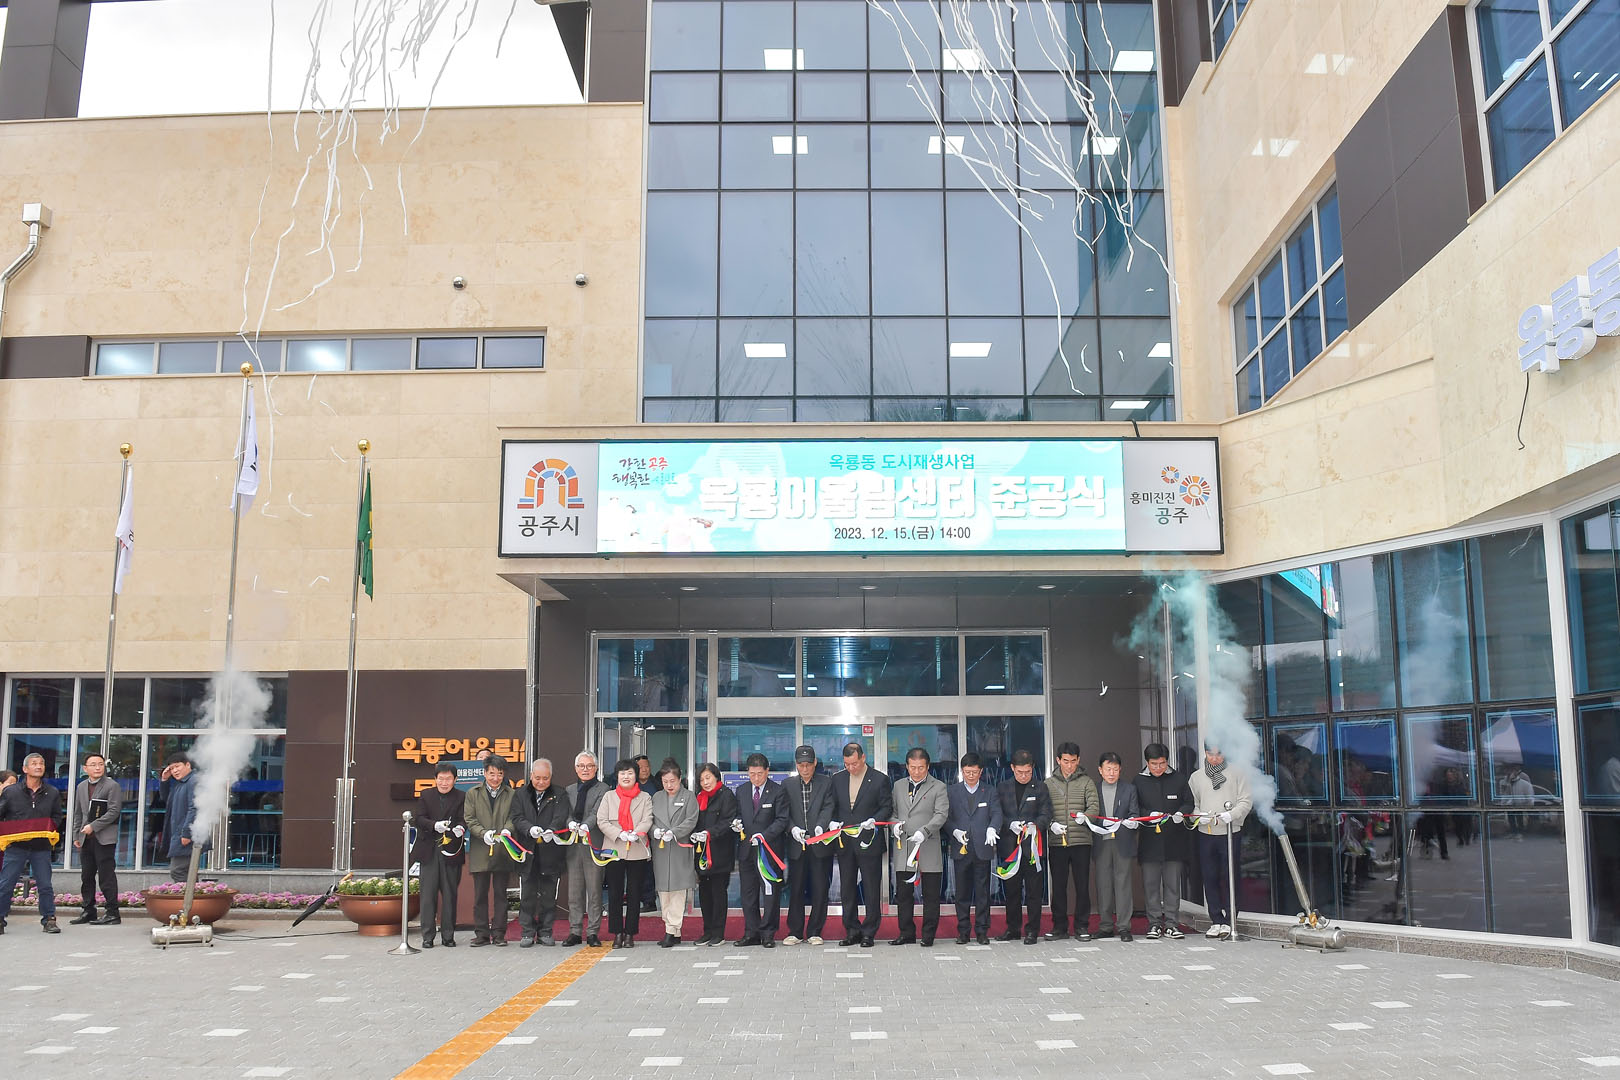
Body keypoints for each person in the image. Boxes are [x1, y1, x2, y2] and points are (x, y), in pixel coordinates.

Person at [1187, 743, 1253, 940]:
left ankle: (1231, 920)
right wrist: (1198, 816)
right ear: (1205, 753)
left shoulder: (1237, 773)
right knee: (1209, 876)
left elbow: (1246, 800)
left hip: (1231, 832)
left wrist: (1232, 814)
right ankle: (1216, 920)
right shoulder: (1196, 777)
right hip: (1206, 832)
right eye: (1210, 754)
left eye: (1219, 754)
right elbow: (1192, 804)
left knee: (1230, 876)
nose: (1214, 758)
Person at [831, 742, 893, 947]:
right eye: (847, 764)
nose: (851, 768)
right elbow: (833, 806)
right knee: (847, 888)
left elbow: (886, 807)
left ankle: (869, 932)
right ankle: (851, 930)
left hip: (869, 841)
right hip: (845, 842)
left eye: (854, 763)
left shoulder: (879, 779)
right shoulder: (837, 779)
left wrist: (874, 820)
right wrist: (832, 822)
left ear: (863, 758)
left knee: (871, 889)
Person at [889, 748, 949, 947]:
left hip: (928, 845)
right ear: (907, 766)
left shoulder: (938, 786)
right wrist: (894, 825)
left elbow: (941, 814)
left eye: (921, 768)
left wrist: (925, 831)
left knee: (930, 895)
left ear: (928, 767)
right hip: (904, 847)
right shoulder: (898, 786)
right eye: (913, 767)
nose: (916, 771)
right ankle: (906, 933)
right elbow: (892, 812)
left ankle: (928, 935)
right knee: (903, 894)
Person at [1133, 742, 1193, 940]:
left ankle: (1172, 924)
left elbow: (1189, 802)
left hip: (1174, 841)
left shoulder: (1179, 778)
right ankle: (1154, 924)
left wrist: (1181, 813)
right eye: (1154, 764)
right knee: (1151, 886)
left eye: (1162, 763)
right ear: (1147, 763)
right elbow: (1134, 808)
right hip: (1149, 842)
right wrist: (1148, 815)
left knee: (1172, 886)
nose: (1158, 768)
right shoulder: (1139, 781)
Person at [0, 752, 64, 934]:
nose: (38, 766)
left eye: (41, 763)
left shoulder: (52, 792)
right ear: (25, 768)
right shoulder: (11, 792)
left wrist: (48, 828)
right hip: (16, 847)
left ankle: (49, 920)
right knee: (6, 884)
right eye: (34, 763)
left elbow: (57, 816)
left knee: (45, 885)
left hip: (41, 847)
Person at [1044, 741, 1099, 941]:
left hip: (1081, 841)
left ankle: (1082, 926)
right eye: (1065, 761)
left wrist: (1086, 816)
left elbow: (1094, 806)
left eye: (1073, 761)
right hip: (1057, 842)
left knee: (1082, 886)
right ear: (1058, 760)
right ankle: (1059, 927)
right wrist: (1051, 824)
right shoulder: (1049, 784)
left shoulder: (1087, 782)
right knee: (1058, 887)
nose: (1069, 765)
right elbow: (1043, 810)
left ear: (1078, 760)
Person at [996, 748, 1053, 944]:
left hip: (1032, 849)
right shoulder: (1002, 787)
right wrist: (1009, 824)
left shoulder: (1040, 787)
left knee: (1034, 893)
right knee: (1011, 891)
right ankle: (1013, 929)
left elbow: (1046, 813)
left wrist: (1035, 825)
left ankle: (1032, 931)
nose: (1023, 776)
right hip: (1010, 848)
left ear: (1032, 768)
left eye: (1027, 772)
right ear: (1012, 768)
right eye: (1020, 772)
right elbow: (997, 814)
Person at [595, 759, 652, 948]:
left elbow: (648, 819)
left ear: (636, 776)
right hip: (614, 848)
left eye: (630, 773)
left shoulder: (645, 797)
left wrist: (636, 833)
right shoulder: (609, 796)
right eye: (622, 773)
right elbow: (602, 820)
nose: (626, 777)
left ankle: (630, 934)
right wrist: (619, 834)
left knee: (635, 893)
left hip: (637, 848)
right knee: (615, 893)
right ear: (617, 776)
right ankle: (617, 933)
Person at [734, 752, 789, 947]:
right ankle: (751, 933)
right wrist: (736, 824)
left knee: (770, 893)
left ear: (767, 771)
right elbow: (738, 815)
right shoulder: (741, 791)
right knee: (748, 894)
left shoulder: (778, 791)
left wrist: (764, 835)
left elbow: (782, 820)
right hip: (747, 851)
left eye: (759, 773)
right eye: (752, 774)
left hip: (769, 851)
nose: (756, 778)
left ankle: (768, 933)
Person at [781, 744, 834, 946]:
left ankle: (815, 931)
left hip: (819, 844)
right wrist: (792, 828)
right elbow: (783, 812)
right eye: (801, 765)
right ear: (796, 764)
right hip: (797, 845)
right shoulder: (787, 784)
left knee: (820, 888)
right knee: (796, 888)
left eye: (808, 765)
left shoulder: (826, 782)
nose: (805, 769)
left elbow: (828, 807)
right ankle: (795, 931)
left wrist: (821, 826)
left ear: (815, 763)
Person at [947, 751, 1003, 945]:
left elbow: (997, 813)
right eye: (967, 772)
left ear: (981, 771)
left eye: (974, 772)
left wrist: (992, 828)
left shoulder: (990, 791)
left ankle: (981, 931)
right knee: (961, 893)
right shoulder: (952, 791)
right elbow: (945, 817)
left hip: (982, 848)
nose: (970, 776)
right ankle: (963, 931)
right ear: (962, 771)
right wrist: (954, 831)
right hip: (960, 847)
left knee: (982, 893)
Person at [513, 758, 569, 948]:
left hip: (551, 852)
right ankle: (527, 932)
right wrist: (529, 829)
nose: (541, 782)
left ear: (550, 777)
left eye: (545, 778)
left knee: (548, 896)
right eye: (537, 778)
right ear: (531, 776)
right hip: (528, 851)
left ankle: (545, 931)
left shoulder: (560, 793)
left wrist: (551, 830)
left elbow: (561, 816)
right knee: (527, 895)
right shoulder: (520, 794)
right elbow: (517, 817)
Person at [464, 754, 519, 947]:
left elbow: (514, 816)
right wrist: (482, 833)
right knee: (480, 895)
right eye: (492, 773)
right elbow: (470, 819)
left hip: (503, 850)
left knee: (501, 895)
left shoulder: (511, 794)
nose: (496, 778)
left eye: (500, 774)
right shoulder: (473, 793)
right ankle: (481, 934)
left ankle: (499, 934)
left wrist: (507, 829)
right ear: (485, 773)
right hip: (481, 849)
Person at [411, 761, 466, 948]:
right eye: (441, 779)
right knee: (428, 896)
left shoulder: (461, 796)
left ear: (455, 780)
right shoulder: (426, 795)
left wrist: (461, 828)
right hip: (429, 851)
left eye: (448, 779)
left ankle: (448, 936)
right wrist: (434, 825)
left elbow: (464, 819)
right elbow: (419, 819)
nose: (444, 783)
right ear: (435, 779)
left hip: (451, 851)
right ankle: (427, 936)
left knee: (450, 895)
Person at [1092, 751, 1140, 942]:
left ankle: (1124, 926)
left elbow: (1134, 812)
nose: (1111, 773)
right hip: (1102, 841)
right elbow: (1090, 814)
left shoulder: (1129, 789)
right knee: (1103, 885)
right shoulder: (1094, 788)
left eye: (1115, 769)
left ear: (1120, 770)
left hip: (1122, 841)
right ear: (1100, 770)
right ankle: (1105, 926)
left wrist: (1132, 821)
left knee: (1123, 885)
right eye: (1108, 769)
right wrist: (1099, 822)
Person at [70, 752, 123, 925]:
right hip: (86, 838)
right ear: (85, 768)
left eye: (100, 764)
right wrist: (76, 834)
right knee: (86, 876)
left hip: (104, 838)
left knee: (106, 876)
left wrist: (94, 826)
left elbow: (114, 811)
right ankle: (88, 910)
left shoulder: (112, 785)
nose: (98, 767)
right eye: (93, 765)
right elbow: (78, 813)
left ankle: (112, 912)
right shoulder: (81, 786)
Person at [649, 762, 698, 947]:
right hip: (661, 848)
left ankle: (671, 930)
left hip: (679, 847)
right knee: (664, 891)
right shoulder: (656, 797)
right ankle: (674, 930)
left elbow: (691, 820)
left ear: (680, 779)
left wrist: (675, 831)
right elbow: (649, 819)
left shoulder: (689, 797)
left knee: (678, 890)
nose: (669, 785)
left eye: (672, 781)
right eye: (665, 781)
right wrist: (654, 831)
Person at [563, 751, 609, 947]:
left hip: (594, 844)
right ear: (576, 768)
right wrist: (570, 823)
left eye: (589, 766)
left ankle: (592, 932)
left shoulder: (603, 788)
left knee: (594, 890)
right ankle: (575, 931)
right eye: (581, 766)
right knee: (574, 891)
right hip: (573, 845)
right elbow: (564, 812)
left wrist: (585, 826)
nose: (585, 769)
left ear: (596, 768)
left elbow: (597, 812)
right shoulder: (569, 790)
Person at [691, 763, 738, 946]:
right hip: (702, 853)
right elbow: (694, 821)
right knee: (704, 893)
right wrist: (694, 834)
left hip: (720, 852)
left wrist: (709, 833)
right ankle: (707, 931)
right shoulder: (700, 797)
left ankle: (719, 933)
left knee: (718, 893)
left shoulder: (726, 795)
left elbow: (728, 821)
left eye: (708, 778)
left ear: (716, 777)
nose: (705, 782)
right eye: (702, 779)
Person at [158, 752, 205, 881]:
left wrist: (186, 833)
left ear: (187, 765)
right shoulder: (181, 783)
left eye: (177, 766)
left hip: (186, 834)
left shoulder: (193, 781)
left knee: (178, 871)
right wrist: (164, 780)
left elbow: (194, 808)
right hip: (179, 833)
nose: (174, 771)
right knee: (188, 872)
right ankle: (192, 893)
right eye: (172, 768)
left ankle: (186, 895)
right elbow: (167, 800)